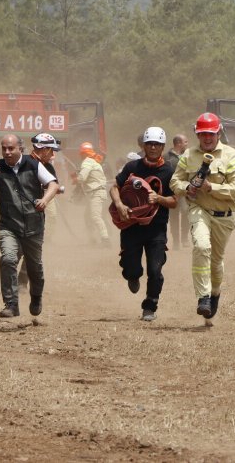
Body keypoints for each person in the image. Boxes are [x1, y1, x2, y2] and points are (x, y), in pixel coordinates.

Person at [169, 112, 235, 323]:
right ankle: (203, 297)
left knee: (216, 261)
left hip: (224, 215)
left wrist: (211, 187)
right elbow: (174, 182)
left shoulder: (232, 156)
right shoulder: (188, 156)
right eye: (202, 134)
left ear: (219, 132)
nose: (207, 138)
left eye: (211, 134)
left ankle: (214, 294)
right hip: (198, 209)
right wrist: (187, 188)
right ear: (197, 134)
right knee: (202, 247)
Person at [0, 134, 60, 318]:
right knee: (8, 259)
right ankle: (11, 304)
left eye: (11, 148)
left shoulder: (34, 165)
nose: (7, 152)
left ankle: (36, 296)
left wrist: (44, 200)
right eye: (4, 148)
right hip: (9, 225)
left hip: (34, 225)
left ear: (21, 148)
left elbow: (52, 184)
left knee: (35, 268)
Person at [110, 127, 176, 322]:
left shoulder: (170, 170)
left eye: (157, 144)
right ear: (144, 146)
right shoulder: (132, 167)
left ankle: (150, 305)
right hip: (131, 226)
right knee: (131, 268)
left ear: (163, 146)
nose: (153, 147)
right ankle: (132, 274)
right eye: (149, 144)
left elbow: (174, 201)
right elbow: (115, 187)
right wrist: (119, 204)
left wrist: (159, 199)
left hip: (156, 229)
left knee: (155, 270)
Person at [19, 133, 64, 288]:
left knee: (32, 251)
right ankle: (11, 284)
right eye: (51, 151)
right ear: (44, 149)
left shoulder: (49, 167)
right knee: (14, 251)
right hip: (18, 214)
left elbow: (53, 185)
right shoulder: (22, 163)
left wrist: (49, 195)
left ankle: (22, 281)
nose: (52, 155)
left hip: (36, 215)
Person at [73, 142, 110, 247]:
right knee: (88, 217)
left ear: (83, 153)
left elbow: (82, 178)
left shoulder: (87, 162)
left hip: (96, 193)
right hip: (96, 193)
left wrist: (76, 179)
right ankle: (92, 239)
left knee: (95, 216)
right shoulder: (94, 161)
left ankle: (105, 239)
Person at [164, 133, 190, 249]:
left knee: (186, 212)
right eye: (185, 142)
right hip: (171, 191)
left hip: (185, 190)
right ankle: (176, 241)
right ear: (178, 143)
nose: (187, 144)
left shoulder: (188, 155)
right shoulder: (166, 157)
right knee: (173, 217)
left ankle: (184, 238)